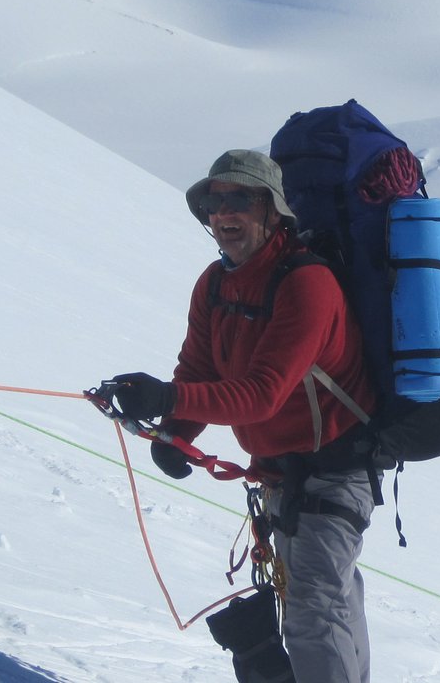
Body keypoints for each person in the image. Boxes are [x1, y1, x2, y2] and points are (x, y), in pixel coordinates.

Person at [105, 149, 378, 683]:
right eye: (213, 201)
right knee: (330, 603)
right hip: (282, 475)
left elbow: (261, 395)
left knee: (312, 614)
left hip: (337, 471)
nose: (224, 213)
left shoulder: (307, 283)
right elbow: (199, 368)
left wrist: (167, 402)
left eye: (240, 200)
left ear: (273, 211)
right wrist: (175, 431)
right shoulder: (214, 283)